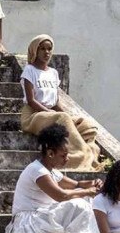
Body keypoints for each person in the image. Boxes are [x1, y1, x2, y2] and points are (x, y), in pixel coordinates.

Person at [5, 124, 102, 233]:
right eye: (63, 155)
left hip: (40, 219)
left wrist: (94, 182)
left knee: (84, 199)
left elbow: (76, 185)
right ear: (50, 154)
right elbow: (61, 196)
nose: (67, 159)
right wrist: (88, 191)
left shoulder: (50, 171)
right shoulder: (37, 170)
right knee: (80, 204)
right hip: (26, 224)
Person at [20, 34, 102, 170]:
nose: (46, 52)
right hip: (34, 115)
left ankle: (91, 154)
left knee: (87, 124)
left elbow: (56, 101)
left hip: (52, 113)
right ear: (35, 50)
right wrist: (50, 112)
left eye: (49, 49)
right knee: (61, 117)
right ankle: (79, 156)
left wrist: (68, 116)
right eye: (42, 49)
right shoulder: (29, 70)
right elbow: (31, 100)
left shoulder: (53, 72)